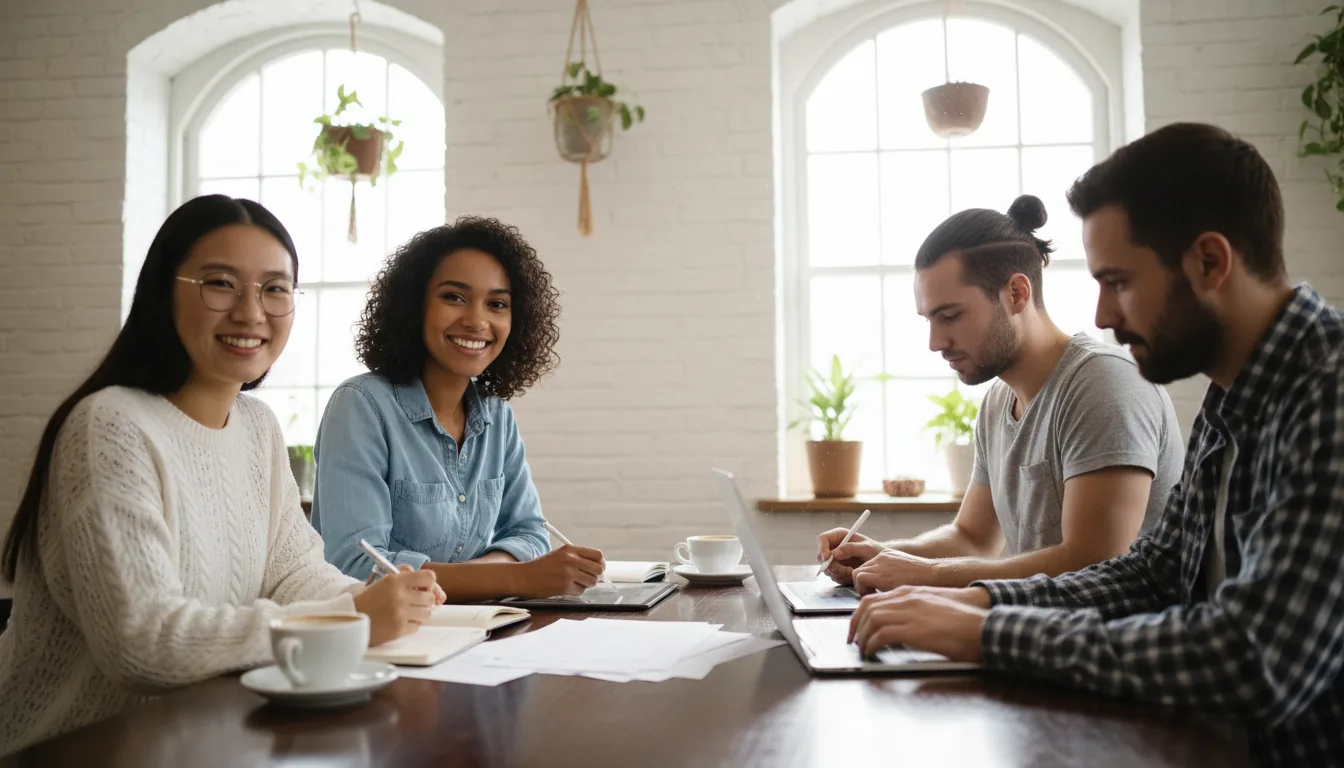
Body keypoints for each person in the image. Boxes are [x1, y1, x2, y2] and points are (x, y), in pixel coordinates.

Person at [848, 123, 1344, 766]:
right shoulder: (1234, 398)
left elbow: (1254, 657)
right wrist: (974, 601)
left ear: (1211, 262)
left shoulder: (1328, 391)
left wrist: (992, 631)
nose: (1104, 316)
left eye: (1120, 281)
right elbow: (1151, 574)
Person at [0, 195, 443, 755]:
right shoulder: (110, 424)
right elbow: (144, 645)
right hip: (70, 750)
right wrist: (352, 616)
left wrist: (376, 597)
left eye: (275, 289)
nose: (251, 313)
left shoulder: (257, 427)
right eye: (220, 283)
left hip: (208, 740)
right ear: (165, 292)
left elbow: (296, 574)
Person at [817, 194, 1183, 593]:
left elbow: (1094, 560)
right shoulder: (996, 402)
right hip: (1037, 635)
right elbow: (973, 538)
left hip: (1115, 645)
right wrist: (883, 554)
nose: (935, 342)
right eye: (928, 319)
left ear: (1016, 294)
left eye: (950, 316)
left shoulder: (1104, 383)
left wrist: (924, 574)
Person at [311, 217, 605, 600]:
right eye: (454, 297)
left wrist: (485, 577)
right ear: (414, 305)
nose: (477, 321)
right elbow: (354, 566)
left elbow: (530, 535)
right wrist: (515, 579)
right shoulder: (361, 406)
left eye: (497, 304)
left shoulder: (497, 417)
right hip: (390, 644)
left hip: (482, 631)